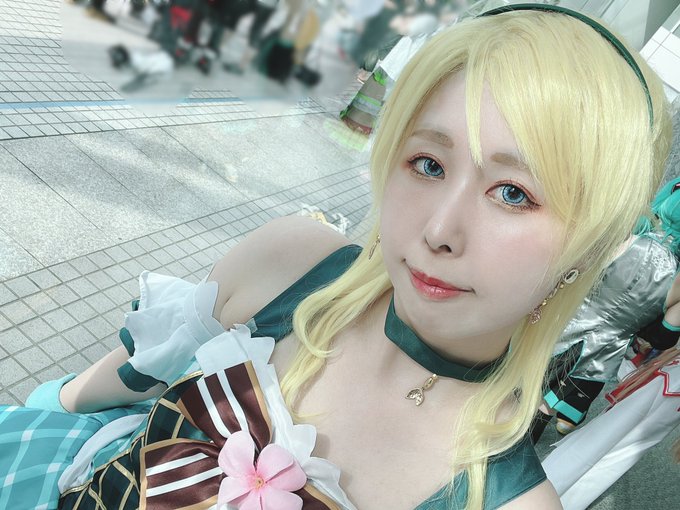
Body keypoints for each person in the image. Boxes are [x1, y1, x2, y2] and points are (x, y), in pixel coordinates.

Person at [0, 4, 673, 509]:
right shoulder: (294, 264)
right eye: (428, 162)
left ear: (587, 247)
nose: (439, 230)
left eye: (513, 193)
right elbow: (93, 393)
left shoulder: (505, 500)